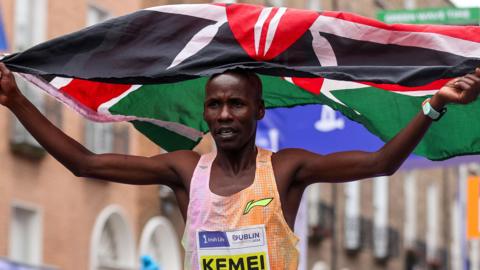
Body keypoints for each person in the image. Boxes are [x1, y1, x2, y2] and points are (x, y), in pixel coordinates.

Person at [1, 62, 480, 269]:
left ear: (259, 110)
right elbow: (85, 163)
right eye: (214, 105)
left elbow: (380, 162)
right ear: (205, 110)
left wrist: (433, 105)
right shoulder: (186, 171)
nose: (224, 115)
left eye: (236, 104)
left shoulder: (288, 169)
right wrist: (15, 101)